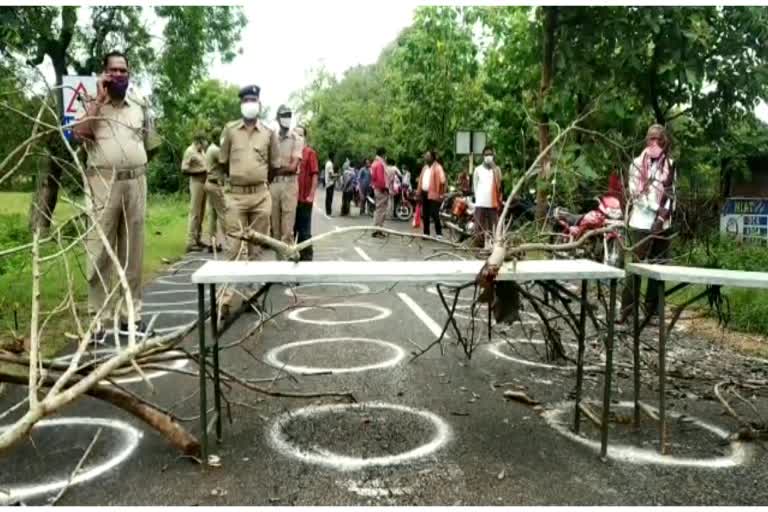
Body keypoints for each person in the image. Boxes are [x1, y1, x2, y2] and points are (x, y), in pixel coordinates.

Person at [73, 50, 161, 342]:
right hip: (102, 183)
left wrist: (135, 162)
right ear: (104, 73)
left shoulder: (139, 105)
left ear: (129, 73)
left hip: (135, 183)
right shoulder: (89, 102)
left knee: (132, 253)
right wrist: (98, 100)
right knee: (99, 251)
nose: (119, 75)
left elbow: (151, 143)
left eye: (124, 70)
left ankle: (130, 316)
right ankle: (98, 321)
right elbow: (78, 134)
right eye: (114, 70)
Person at [219, 85, 277, 311]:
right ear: (241, 103)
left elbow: (274, 166)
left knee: (256, 250)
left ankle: (252, 298)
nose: (250, 103)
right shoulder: (230, 131)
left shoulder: (269, 133)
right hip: (236, 197)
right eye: (247, 99)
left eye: (254, 99)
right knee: (233, 249)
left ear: (259, 103)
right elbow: (223, 162)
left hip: (261, 196)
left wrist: (259, 181)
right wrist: (238, 180)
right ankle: (224, 300)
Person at [620, 124, 677, 323]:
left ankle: (652, 312)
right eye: (650, 139)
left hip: (663, 224)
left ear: (664, 142)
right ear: (646, 141)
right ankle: (627, 311)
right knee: (635, 268)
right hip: (641, 222)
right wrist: (656, 210)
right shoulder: (636, 164)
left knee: (658, 268)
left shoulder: (670, 164)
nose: (654, 143)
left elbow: (671, 193)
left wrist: (662, 219)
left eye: (658, 140)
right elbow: (636, 195)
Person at [269, 105, 303, 252]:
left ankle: (287, 267)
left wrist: (275, 170)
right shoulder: (272, 138)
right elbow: (267, 165)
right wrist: (276, 171)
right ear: (277, 118)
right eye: (284, 115)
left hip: (289, 185)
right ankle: (279, 268)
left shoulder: (297, 139)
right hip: (274, 186)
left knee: (287, 231)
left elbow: (293, 167)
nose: (286, 118)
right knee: (275, 231)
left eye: (289, 115)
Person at [293, 125, 319, 261]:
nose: (298, 137)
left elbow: (315, 175)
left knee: (304, 232)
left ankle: (307, 260)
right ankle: (292, 260)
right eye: (295, 134)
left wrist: (311, 195)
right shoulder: (290, 153)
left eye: (301, 135)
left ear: (305, 138)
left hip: (304, 200)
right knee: (291, 231)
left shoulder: (310, 153)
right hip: (291, 199)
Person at [181, 132, 210, 252]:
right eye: (203, 142)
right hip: (196, 183)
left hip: (204, 183)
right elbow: (184, 169)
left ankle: (198, 238)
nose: (205, 144)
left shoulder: (201, 151)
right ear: (198, 141)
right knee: (194, 213)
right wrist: (200, 172)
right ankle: (190, 242)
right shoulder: (190, 151)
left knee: (202, 212)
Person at [472, 145, 503, 249]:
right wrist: (478, 198)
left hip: (493, 203)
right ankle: (479, 247)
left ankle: (493, 246)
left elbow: (500, 184)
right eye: (486, 154)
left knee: (493, 226)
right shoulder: (477, 170)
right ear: (483, 156)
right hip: (480, 203)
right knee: (479, 227)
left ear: (493, 156)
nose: (488, 156)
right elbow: (475, 186)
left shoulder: (497, 170)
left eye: (490, 154)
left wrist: (494, 168)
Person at [204, 129, 227, 253]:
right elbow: (225, 161)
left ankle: (211, 242)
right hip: (215, 184)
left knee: (212, 215)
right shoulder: (216, 150)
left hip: (209, 183)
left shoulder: (210, 148)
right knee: (223, 213)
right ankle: (229, 241)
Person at [416, 150, 446, 238]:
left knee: (434, 214)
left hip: (434, 194)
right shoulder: (425, 168)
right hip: (424, 193)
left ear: (433, 158)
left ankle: (439, 233)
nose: (426, 157)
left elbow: (443, 180)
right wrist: (418, 193)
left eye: (428, 156)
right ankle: (426, 233)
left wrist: (441, 193)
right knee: (425, 214)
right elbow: (420, 181)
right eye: (425, 156)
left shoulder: (438, 167)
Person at [370, 148, 389, 237]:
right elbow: (381, 179)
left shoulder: (374, 163)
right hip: (381, 189)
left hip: (376, 188)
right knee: (381, 210)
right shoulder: (380, 164)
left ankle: (376, 229)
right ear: (383, 154)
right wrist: (384, 188)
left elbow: (373, 177)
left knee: (378, 209)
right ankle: (378, 230)